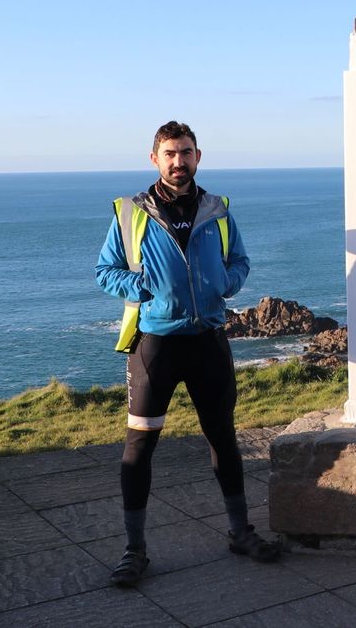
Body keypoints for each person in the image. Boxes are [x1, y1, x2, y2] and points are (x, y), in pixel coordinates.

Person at [95, 121, 279, 587]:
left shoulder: (217, 211)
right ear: (154, 159)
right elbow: (105, 270)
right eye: (170, 154)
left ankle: (240, 532)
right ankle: (134, 550)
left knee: (223, 438)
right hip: (155, 345)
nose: (179, 162)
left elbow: (239, 260)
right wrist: (141, 287)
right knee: (140, 446)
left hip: (209, 342)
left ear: (199, 157)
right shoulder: (129, 214)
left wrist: (225, 284)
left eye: (187, 153)